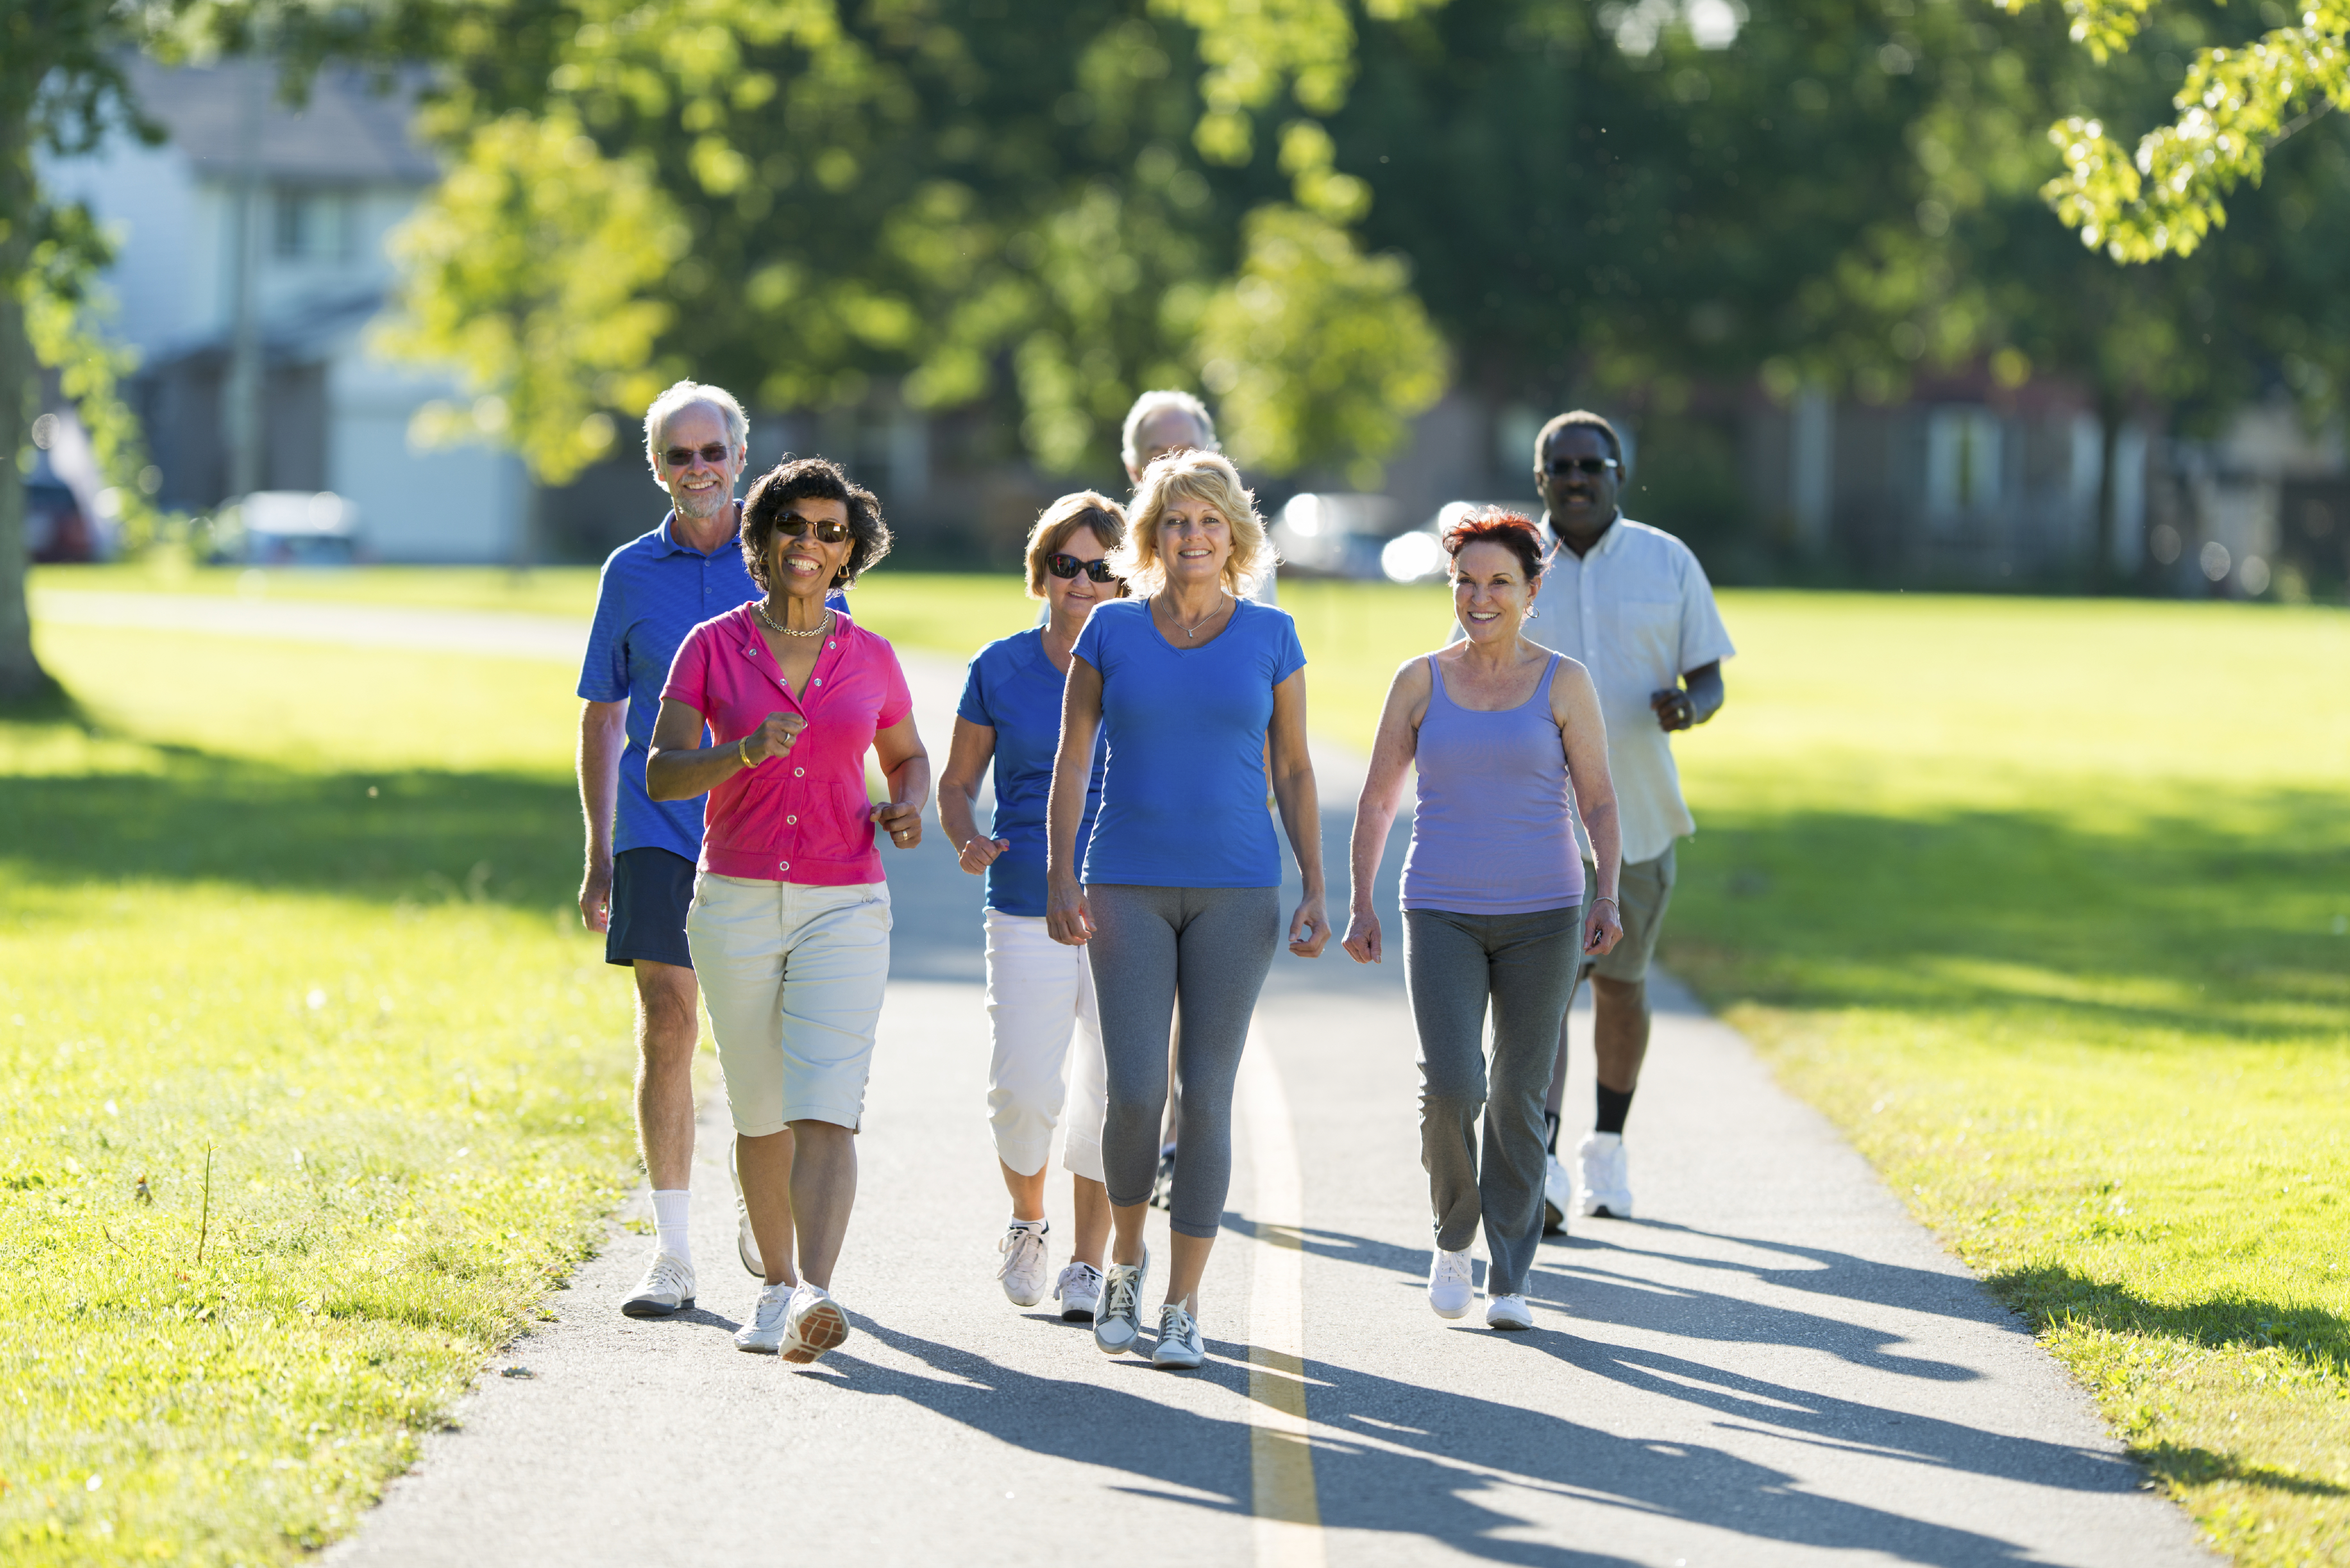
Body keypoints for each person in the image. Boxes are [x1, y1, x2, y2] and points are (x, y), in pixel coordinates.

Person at [1044, 450, 1328, 1371]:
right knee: (1133, 1094)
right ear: (1151, 536)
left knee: (1204, 1097)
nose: (1191, 536)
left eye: (1208, 520)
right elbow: (1072, 761)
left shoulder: (1273, 634)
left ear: (1234, 535)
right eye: (1174, 521)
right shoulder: (1110, 632)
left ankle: (1184, 1302)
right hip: (1124, 880)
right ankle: (1124, 1258)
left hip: (1238, 891)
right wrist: (1060, 875)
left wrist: (1319, 886)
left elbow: (1292, 767)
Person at [645, 456, 928, 1365]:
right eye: (793, 526)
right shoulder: (710, 647)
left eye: (829, 532)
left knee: (827, 1107)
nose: (810, 543)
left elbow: (908, 755)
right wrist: (738, 752)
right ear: (762, 540)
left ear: (851, 554)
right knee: (759, 1109)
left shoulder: (872, 657)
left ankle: (815, 1291)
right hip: (731, 901)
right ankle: (771, 1285)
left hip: (845, 899)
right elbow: (660, 770)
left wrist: (906, 803)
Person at [1344, 510, 1623, 1329]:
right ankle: (1451, 1234)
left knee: (1517, 1094)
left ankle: (1510, 1277)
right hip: (1440, 909)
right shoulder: (1419, 680)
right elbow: (1376, 797)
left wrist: (1606, 894)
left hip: (1546, 912)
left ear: (1533, 591)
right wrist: (1360, 899)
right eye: (1465, 580)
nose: (1479, 595)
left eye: (1499, 581)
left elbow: (1599, 798)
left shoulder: (1564, 681)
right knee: (1453, 1086)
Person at [577, 380, 766, 1318]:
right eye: (678, 455)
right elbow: (603, 714)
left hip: (760, 834)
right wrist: (598, 849)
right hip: (657, 829)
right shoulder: (627, 573)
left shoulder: (789, 559)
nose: (698, 470)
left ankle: (759, 1195)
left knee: (755, 1035)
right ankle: (673, 1250)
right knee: (667, 1020)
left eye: (712, 453)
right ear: (656, 467)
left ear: (740, 458)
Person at [1519, 412, 1735, 1227]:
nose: (1576, 479)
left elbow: (1709, 674)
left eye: (1591, 465)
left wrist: (1693, 707)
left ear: (1617, 471)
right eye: (1560, 467)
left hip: (1639, 819)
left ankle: (1605, 1147)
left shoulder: (1665, 559)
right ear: (1539, 477)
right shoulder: (1511, 562)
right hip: (1539, 823)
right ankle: (1538, 1161)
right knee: (1545, 991)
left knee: (1619, 986)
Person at [938, 494, 1126, 1322]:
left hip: (1130, 902)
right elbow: (953, 782)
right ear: (1040, 571)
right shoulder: (1000, 667)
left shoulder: (1147, 661)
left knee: (1112, 1088)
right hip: (1022, 900)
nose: (1082, 582)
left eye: (1101, 569)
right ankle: (1027, 1217)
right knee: (1022, 1087)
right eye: (1066, 565)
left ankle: (1089, 1261)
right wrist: (964, 834)